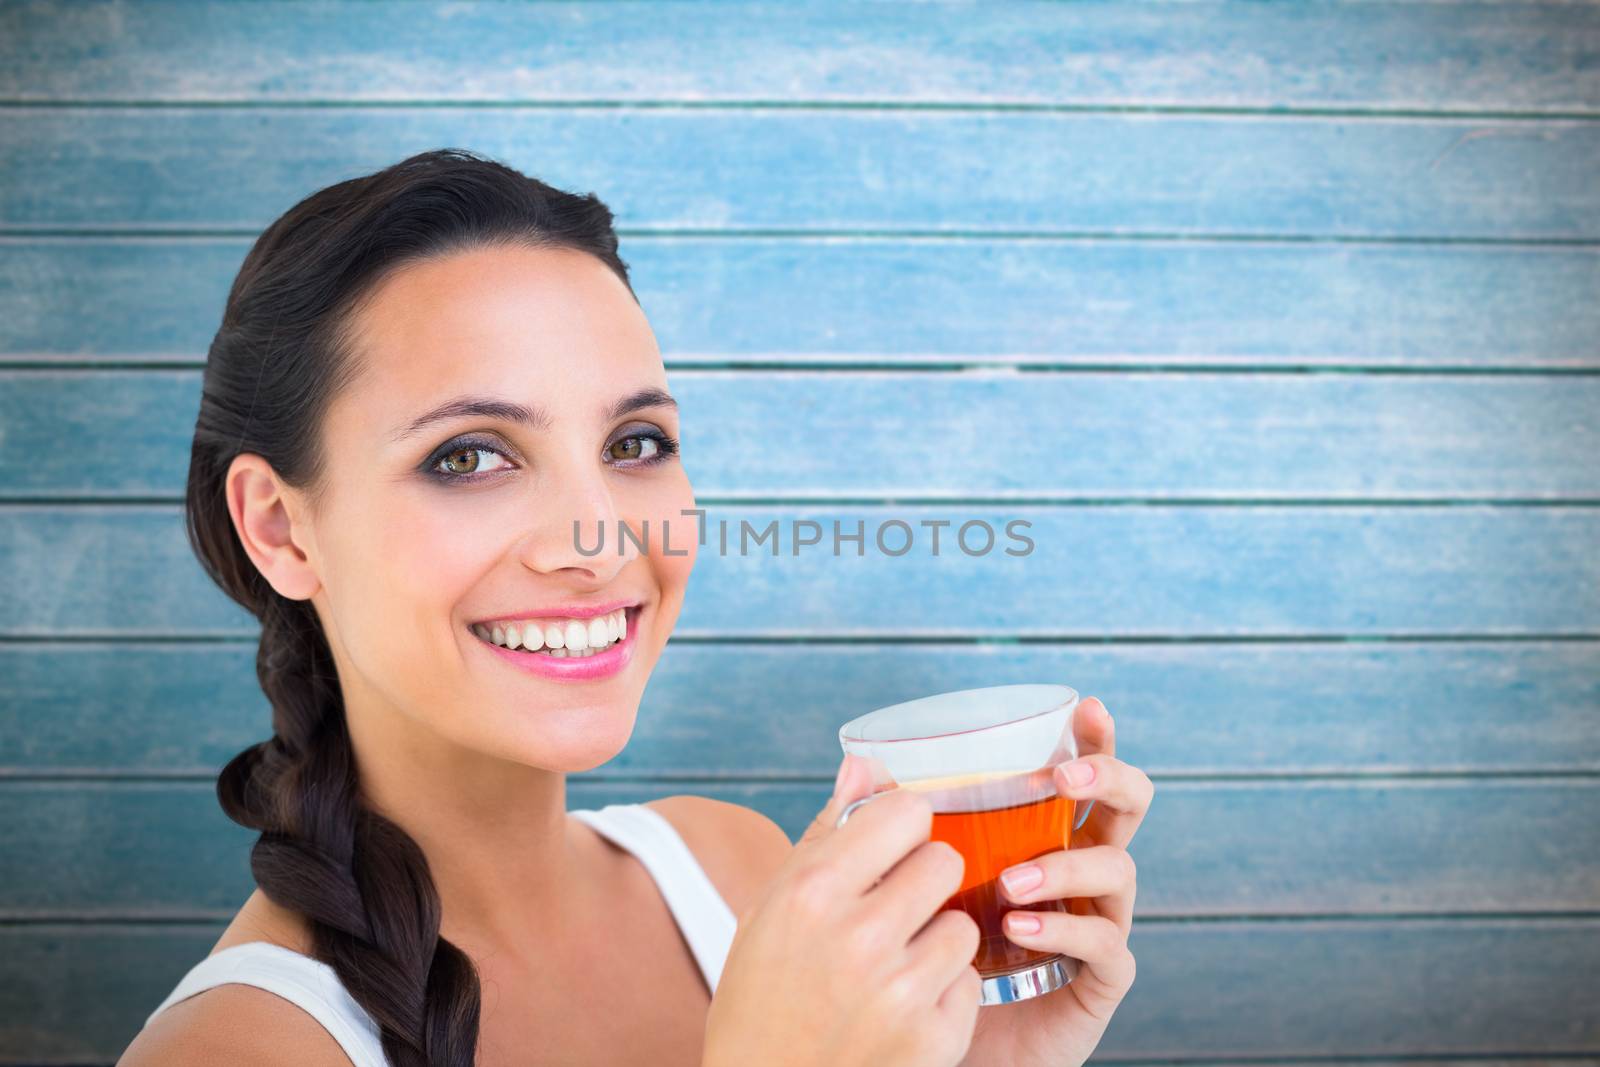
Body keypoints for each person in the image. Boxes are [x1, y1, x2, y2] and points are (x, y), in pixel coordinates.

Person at [119, 148, 1152, 1067]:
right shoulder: (234, 1048)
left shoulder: (742, 869)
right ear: (280, 528)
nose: (604, 539)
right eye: (469, 455)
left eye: (634, 444)